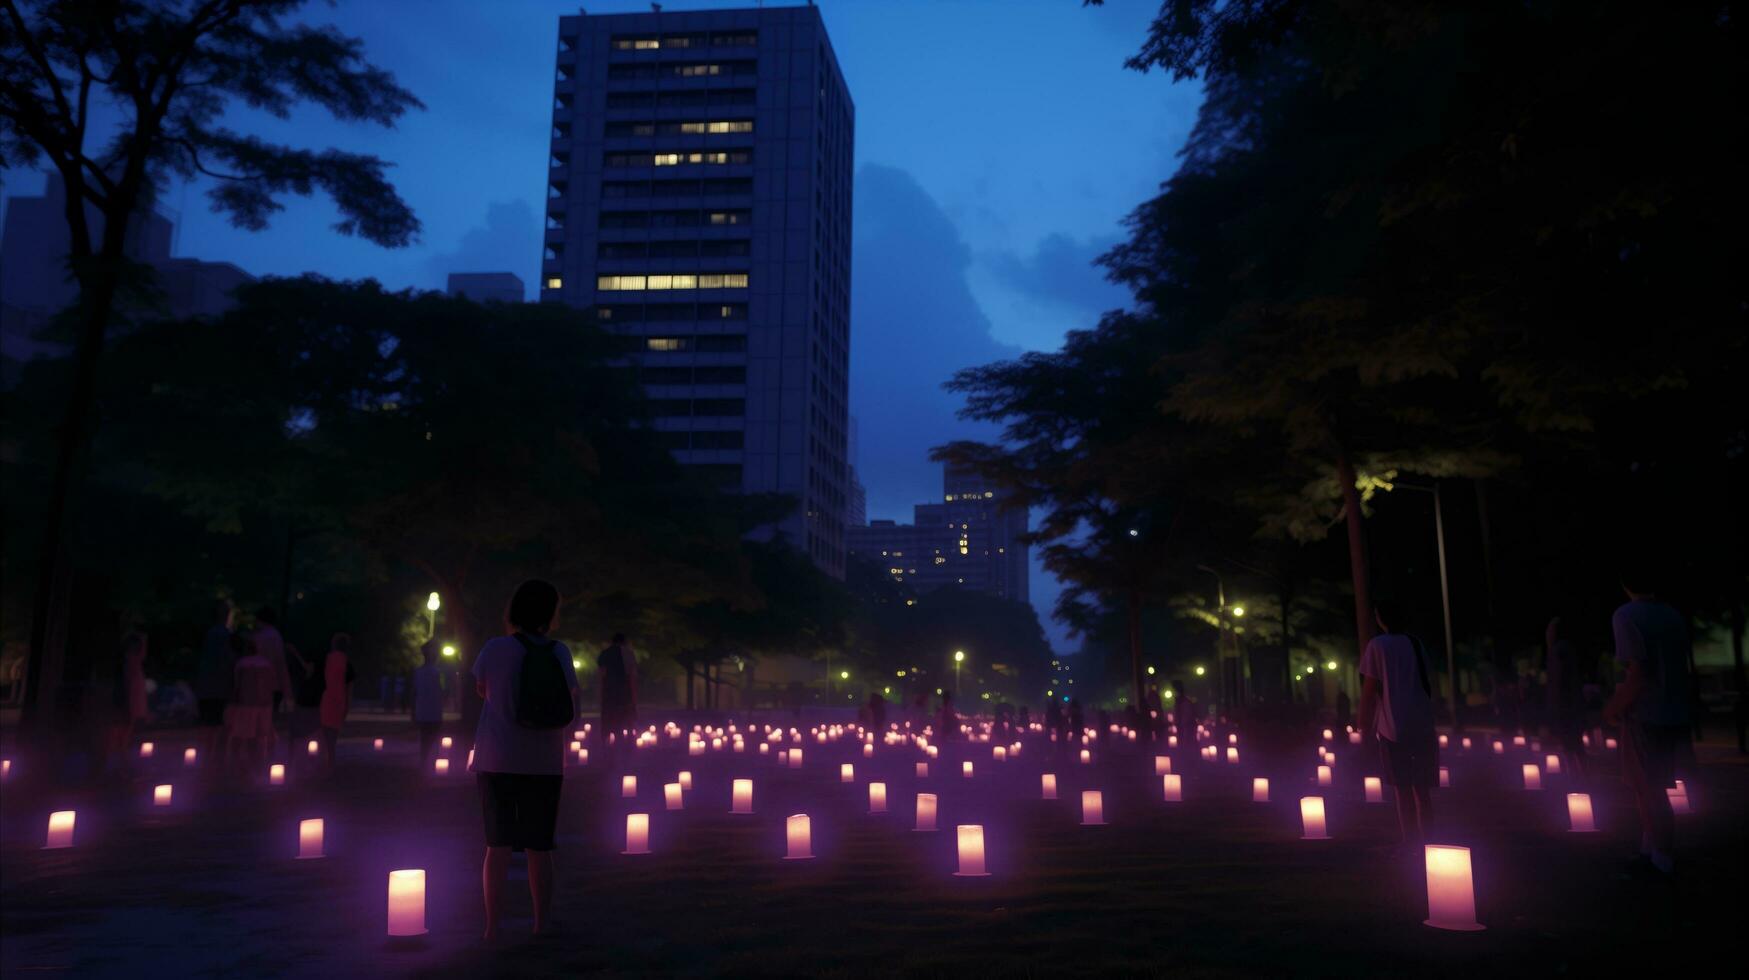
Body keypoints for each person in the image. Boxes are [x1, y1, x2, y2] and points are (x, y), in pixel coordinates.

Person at [472, 579, 579, 941]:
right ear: (549, 614)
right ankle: (541, 924)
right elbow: (570, 700)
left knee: (497, 845)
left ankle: (492, 928)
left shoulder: (494, 648)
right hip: (545, 762)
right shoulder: (559, 652)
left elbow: (481, 689)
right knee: (539, 847)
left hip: (497, 757)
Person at [1602, 567, 1693, 877]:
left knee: (1648, 788)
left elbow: (1638, 672)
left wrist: (1613, 707)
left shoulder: (1626, 616)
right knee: (1654, 786)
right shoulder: (1672, 615)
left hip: (1645, 714)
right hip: (1674, 711)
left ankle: (1662, 858)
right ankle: (1651, 848)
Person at [1358, 598, 1438, 847]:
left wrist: (1363, 724)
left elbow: (1369, 689)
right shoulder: (1416, 643)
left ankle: (1411, 844)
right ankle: (1429, 843)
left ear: (1380, 618)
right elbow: (1428, 682)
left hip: (1393, 726)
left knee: (1402, 789)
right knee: (1422, 790)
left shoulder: (1377, 645)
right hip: (1422, 724)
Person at [227, 632, 277, 775]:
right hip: (264, 705)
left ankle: (239, 763)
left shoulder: (242, 664)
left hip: (246, 705)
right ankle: (256, 763)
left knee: (242, 734)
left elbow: (237, 685)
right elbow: (271, 684)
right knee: (258, 735)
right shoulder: (266, 664)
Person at [1545, 617, 1589, 780]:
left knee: (1570, 744)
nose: (1547, 634)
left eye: (1550, 630)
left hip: (1565, 706)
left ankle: (1576, 778)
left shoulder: (1559, 650)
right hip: (1573, 704)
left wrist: (1554, 707)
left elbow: (1558, 681)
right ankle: (1582, 776)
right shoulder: (1568, 649)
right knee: (1575, 744)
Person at [193, 600, 236, 759]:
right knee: (217, 724)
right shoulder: (225, 635)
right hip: (219, 687)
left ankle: (206, 756)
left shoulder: (209, 634)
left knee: (208, 724)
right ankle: (212, 758)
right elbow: (227, 661)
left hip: (207, 686)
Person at [104, 632, 149, 772]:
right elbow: (129, 689)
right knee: (116, 740)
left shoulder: (133, 666)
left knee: (122, 740)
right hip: (123, 706)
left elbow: (136, 691)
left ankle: (117, 769)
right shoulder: (130, 666)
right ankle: (112, 770)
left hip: (127, 707)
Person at [318, 633, 354, 770]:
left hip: (325, 700)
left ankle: (323, 763)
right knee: (332, 737)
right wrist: (347, 708)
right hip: (339, 702)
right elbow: (349, 690)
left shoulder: (326, 660)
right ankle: (330, 764)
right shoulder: (347, 664)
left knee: (323, 734)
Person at [596, 633, 638, 750]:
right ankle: (626, 748)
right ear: (624, 641)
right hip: (624, 693)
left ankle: (606, 747)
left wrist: (600, 695)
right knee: (625, 721)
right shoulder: (628, 654)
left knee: (608, 721)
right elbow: (632, 677)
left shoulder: (604, 654)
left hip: (608, 693)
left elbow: (601, 676)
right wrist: (634, 697)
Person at [253, 607, 292, 720]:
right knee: (268, 717)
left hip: (256, 683)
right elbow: (280, 663)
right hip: (273, 684)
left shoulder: (257, 637)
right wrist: (286, 687)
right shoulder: (275, 636)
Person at [412, 640, 446, 767]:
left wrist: (413, 712)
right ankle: (429, 763)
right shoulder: (437, 673)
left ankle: (425, 762)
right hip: (433, 712)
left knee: (425, 739)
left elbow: (414, 693)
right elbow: (442, 692)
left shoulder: (418, 672)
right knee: (431, 739)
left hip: (423, 711)